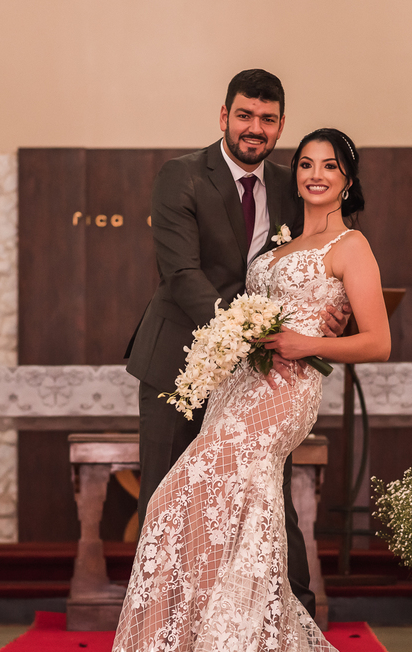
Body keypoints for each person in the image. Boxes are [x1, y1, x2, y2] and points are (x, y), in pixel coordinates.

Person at [100, 128, 412, 652]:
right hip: (238, 388)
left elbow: (378, 341)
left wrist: (309, 342)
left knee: (176, 499)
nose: (315, 175)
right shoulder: (282, 243)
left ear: (348, 179)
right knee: (224, 514)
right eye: (306, 164)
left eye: (329, 166)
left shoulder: (351, 245)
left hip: (285, 393)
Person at [125, 69, 340, 621]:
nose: (254, 128)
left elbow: (324, 255)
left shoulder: (292, 187)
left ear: (281, 126)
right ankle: (155, 641)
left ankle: (290, 630)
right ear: (224, 116)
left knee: (268, 500)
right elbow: (182, 274)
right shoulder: (181, 176)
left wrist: (332, 312)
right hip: (179, 366)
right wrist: (248, 335)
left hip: (261, 379)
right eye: (244, 115)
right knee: (168, 501)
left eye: (267, 119)